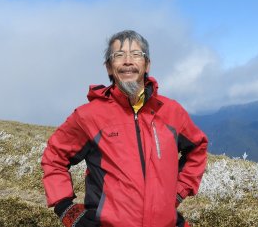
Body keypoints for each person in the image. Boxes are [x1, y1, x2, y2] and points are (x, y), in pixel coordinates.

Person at [41, 30, 208, 227]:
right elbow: (54, 157)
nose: (128, 61)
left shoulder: (172, 112)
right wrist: (65, 208)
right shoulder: (89, 116)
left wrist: (178, 192)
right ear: (109, 68)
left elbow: (197, 148)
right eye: (119, 55)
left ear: (147, 64)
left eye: (136, 54)